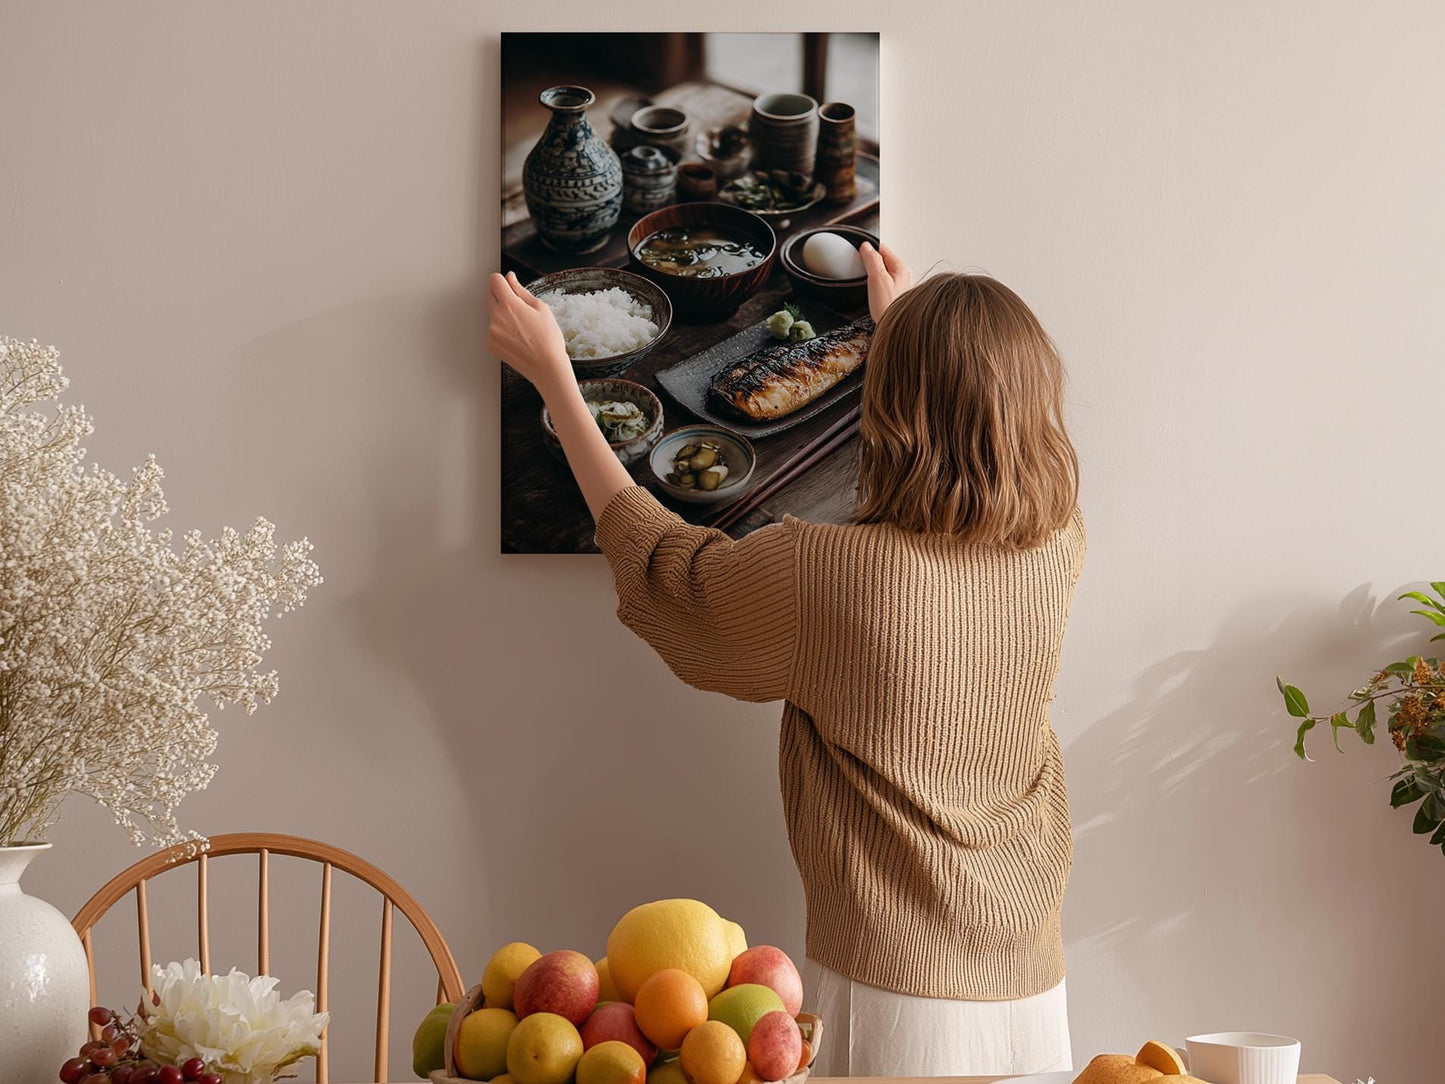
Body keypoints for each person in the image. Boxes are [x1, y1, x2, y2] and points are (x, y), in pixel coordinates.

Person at [487, 243, 1084, 1076]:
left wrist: (558, 379)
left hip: (895, 987)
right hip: (1030, 975)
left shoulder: (826, 572)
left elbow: (668, 568)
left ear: (893, 402)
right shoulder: (1056, 546)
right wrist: (902, 334)